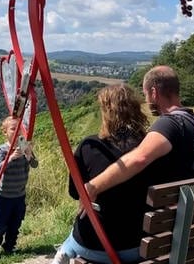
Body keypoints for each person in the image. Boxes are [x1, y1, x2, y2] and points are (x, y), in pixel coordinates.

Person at [52, 83, 150, 264]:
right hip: (142, 245)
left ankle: (63, 253)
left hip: (96, 246)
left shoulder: (90, 146)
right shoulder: (151, 148)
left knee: (68, 245)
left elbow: (76, 193)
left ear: (106, 113)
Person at [85, 65, 194, 210]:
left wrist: (92, 187)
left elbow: (139, 159)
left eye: (146, 94)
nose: (146, 100)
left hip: (181, 224)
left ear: (154, 92)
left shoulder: (169, 124)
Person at [0, 116, 38, 257]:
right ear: (5, 132)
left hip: (19, 195)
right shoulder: (2, 149)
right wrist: (11, 157)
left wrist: (29, 155)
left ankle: (9, 247)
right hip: (4, 196)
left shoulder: (24, 146)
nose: (17, 132)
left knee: (15, 224)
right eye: (13, 129)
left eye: (20, 129)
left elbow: (34, 164)